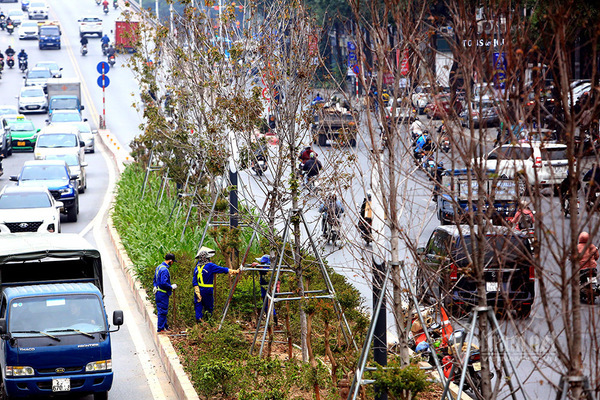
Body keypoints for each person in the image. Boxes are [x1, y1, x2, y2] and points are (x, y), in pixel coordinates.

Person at [192, 247, 240, 322]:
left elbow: (194, 280)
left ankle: (199, 319)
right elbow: (222, 269)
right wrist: (233, 271)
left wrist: (197, 290)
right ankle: (208, 321)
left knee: (198, 304)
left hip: (197, 290)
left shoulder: (196, 268)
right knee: (209, 307)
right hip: (207, 290)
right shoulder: (210, 266)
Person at [153, 253, 177, 333]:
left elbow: (154, 279)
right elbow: (163, 283)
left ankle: (165, 326)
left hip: (158, 293)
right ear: (170, 261)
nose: (172, 263)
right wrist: (171, 287)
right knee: (162, 311)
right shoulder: (164, 270)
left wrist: (155, 286)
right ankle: (161, 328)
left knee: (163, 310)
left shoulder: (159, 267)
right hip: (163, 294)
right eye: (172, 261)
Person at [251, 255, 278, 324]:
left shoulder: (268, 269)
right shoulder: (265, 268)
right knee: (267, 305)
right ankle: (272, 321)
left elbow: (265, 270)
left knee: (269, 304)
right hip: (265, 289)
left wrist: (258, 265)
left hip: (269, 289)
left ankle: (273, 321)